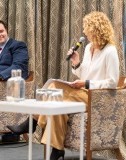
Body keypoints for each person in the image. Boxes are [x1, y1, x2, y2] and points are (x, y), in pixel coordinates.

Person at [7, 11, 119, 160]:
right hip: (82, 93)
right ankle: (57, 149)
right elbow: (84, 74)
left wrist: (86, 83)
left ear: (95, 29)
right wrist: (76, 62)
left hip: (97, 98)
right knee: (56, 103)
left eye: (86, 27)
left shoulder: (110, 51)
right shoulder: (88, 48)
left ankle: (31, 122)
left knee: (53, 87)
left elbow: (112, 82)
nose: (84, 31)